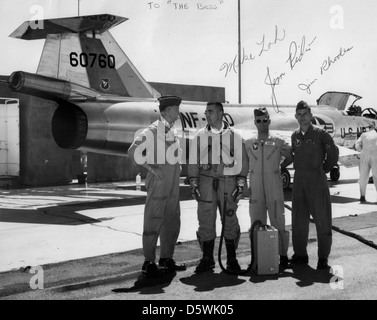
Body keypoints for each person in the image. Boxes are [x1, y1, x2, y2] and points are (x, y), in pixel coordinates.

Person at [127, 95, 186, 276]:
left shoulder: (172, 131)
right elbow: (132, 151)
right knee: (153, 220)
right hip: (159, 182)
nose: (178, 114)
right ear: (167, 111)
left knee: (172, 221)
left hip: (172, 183)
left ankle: (166, 258)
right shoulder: (152, 131)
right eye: (176, 110)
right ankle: (149, 262)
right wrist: (150, 168)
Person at [187, 102, 249, 273]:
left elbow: (243, 161)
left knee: (229, 219)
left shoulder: (234, 137)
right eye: (206, 111)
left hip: (228, 181)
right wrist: (194, 183)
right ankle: (207, 258)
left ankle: (231, 259)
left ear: (221, 113)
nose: (207, 114)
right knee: (205, 220)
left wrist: (241, 183)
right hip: (206, 181)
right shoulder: (199, 136)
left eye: (211, 111)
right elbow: (193, 161)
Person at [290, 101, 339, 270]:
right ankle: (300, 254)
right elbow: (292, 156)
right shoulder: (295, 136)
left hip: (316, 181)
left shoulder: (321, 134)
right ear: (296, 116)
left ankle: (323, 258)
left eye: (305, 114)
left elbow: (333, 154)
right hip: (299, 181)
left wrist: (322, 171)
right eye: (299, 114)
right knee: (298, 219)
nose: (302, 118)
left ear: (311, 115)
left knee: (322, 219)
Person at [244, 107, 292, 269]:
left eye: (265, 120)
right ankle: (258, 256)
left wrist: (279, 166)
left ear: (269, 121)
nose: (262, 124)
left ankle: (283, 255)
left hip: (274, 184)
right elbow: (243, 163)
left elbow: (291, 155)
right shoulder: (249, 143)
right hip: (256, 185)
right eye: (259, 121)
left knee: (278, 218)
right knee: (256, 221)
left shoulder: (278, 141)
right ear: (255, 122)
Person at [355, 123, 377, 202]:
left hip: (365, 156)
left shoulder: (363, 135)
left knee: (363, 177)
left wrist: (362, 151)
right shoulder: (376, 134)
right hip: (375, 156)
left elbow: (357, 145)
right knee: (376, 176)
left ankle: (362, 196)